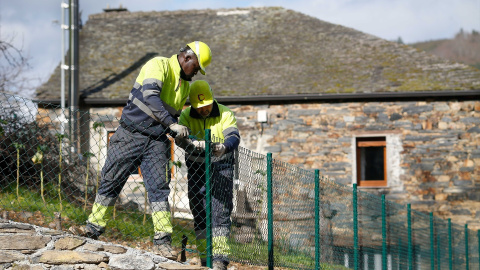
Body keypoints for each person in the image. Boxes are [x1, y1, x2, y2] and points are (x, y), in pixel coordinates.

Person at [69, 41, 212, 260]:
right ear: (187, 58)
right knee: (111, 180)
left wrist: (181, 136)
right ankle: (93, 227)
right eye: (197, 68)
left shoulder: (184, 86)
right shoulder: (159, 65)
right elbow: (150, 97)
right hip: (130, 133)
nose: (196, 75)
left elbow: (170, 118)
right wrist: (171, 124)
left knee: (159, 189)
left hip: (156, 141)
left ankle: (163, 241)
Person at [175, 80, 240, 270]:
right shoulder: (186, 115)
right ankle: (205, 258)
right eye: (200, 107)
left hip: (222, 167)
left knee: (220, 212)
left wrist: (223, 147)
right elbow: (179, 139)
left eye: (207, 105)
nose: (204, 110)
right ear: (193, 105)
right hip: (196, 169)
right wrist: (191, 143)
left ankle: (220, 260)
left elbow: (233, 136)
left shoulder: (225, 112)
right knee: (199, 212)